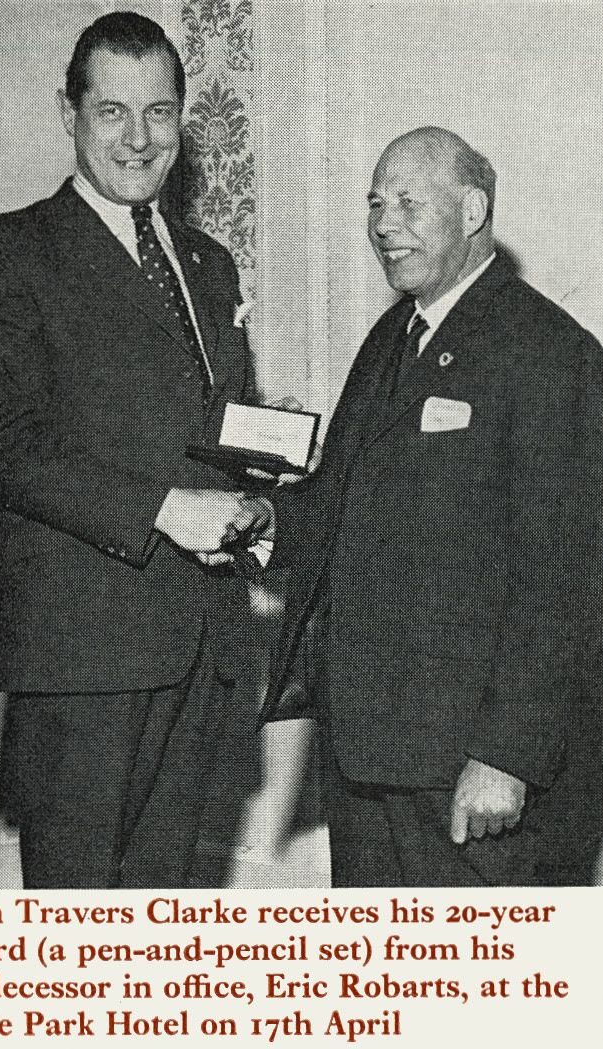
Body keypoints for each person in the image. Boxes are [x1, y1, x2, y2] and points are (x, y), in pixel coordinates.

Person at [229, 126, 603, 886]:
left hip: (474, 773)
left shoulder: (549, 354)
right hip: (370, 760)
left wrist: (507, 754)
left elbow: (564, 581)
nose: (382, 224)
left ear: (472, 211)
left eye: (407, 202)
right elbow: (338, 499)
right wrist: (264, 519)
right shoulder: (394, 336)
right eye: (374, 203)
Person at [0, 12, 257, 889]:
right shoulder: (8, 251)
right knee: (78, 938)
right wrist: (169, 509)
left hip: (201, 645)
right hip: (81, 655)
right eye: (112, 111)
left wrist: (259, 504)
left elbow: (213, 431)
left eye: (159, 113)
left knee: (159, 930)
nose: (138, 138)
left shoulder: (207, 262)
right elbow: (7, 446)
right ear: (69, 112)